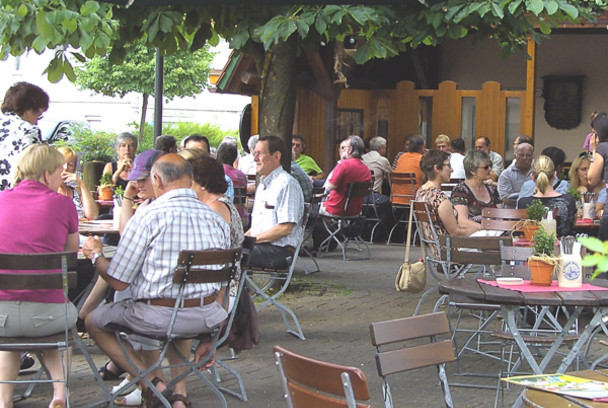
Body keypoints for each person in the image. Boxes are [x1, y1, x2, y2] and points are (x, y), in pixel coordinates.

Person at [82, 154, 230, 408]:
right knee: (178, 306)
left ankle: (153, 384)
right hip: (207, 316)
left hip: (160, 316)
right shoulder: (217, 218)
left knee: (93, 320)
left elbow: (118, 282)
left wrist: (96, 255)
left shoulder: (148, 216)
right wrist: (213, 334)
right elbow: (224, 280)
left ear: (157, 180)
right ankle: (179, 396)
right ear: (190, 179)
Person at [79, 150, 165, 406]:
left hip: (155, 307)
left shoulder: (154, 212)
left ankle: (147, 380)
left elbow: (126, 243)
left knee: (102, 316)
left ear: (158, 177)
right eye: (134, 179)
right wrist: (128, 196)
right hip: (196, 312)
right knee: (120, 284)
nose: (136, 184)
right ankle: (144, 379)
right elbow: (127, 236)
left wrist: (95, 256)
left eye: (142, 179)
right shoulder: (153, 206)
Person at [0, 144, 78, 408]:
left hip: (2, 318)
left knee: (9, 341)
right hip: (48, 316)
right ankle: (59, 394)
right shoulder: (63, 204)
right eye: (60, 171)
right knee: (60, 331)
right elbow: (71, 254)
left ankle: (4, 401)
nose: (62, 177)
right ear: (46, 175)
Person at [179, 149, 244, 311]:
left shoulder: (215, 208)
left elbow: (214, 257)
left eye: (189, 182)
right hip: (217, 281)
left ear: (203, 184)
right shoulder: (218, 204)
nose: (185, 186)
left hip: (222, 289)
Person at [247, 135, 304, 269]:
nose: (255, 159)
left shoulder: (287, 184)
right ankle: (240, 290)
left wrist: (249, 241)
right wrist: (238, 240)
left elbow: (285, 228)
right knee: (224, 252)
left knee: (231, 256)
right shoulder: (263, 184)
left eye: (259, 154)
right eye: (254, 154)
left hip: (280, 251)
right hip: (262, 246)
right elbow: (257, 228)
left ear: (276, 156)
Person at [414, 149, 481, 258]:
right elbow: (456, 232)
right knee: (496, 244)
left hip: (438, 252)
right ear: (437, 168)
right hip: (452, 253)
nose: (451, 169)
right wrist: (481, 230)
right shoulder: (440, 199)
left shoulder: (420, 193)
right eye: (448, 165)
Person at [0, 81, 49, 191]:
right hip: (11, 201)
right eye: (38, 115)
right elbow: (33, 172)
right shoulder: (28, 130)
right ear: (28, 110)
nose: (36, 121)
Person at [517, 155, 576, 237]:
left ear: (532, 177)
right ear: (555, 175)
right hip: (562, 248)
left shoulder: (523, 203)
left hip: (531, 248)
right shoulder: (568, 200)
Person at [320, 136, 372, 217]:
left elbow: (330, 187)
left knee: (311, 208)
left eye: (344, 148)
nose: (341, 151)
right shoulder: (366, 169)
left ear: (350, 149)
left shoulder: (343, 165)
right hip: (355, 211)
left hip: (335, 208)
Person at [451, 150, 500, 225]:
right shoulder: (460, 191)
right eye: (486, 167)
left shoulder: (492, 189)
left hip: (496, 232)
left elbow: (502, 215)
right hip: (473, 234)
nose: (490, 169)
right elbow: (462, 221)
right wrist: (486, 228)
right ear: (472, 171)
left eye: (490, 165)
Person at [57, 146, 99, 220]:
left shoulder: (77, 191)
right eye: (62, 163)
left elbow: (93, 215)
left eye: (70, 165)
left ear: (74, 169)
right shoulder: (48, 190)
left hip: (81, 230)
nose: (66, 168)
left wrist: (82, 184)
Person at [497, 142, 534, 206]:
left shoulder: (537, 173)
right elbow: (506, 199)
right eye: (521, 155)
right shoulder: (506, 174)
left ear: (532, 157)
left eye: (528, 155)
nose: (525, 158)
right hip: (512, 213)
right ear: (515, 156)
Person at [393, 134, 426, 204]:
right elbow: (427, 178)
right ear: (421, 147)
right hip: (414, 199)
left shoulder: (401, 157)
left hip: (396, 198)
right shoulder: (422, 159)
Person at [361, 136, 391, 204]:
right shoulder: (382, 160)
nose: (386, 150)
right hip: (372, 196)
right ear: (381, 148)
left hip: (359, 195)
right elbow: (391, 177)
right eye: (385, 148)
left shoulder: (362, 158)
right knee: (389, 201)